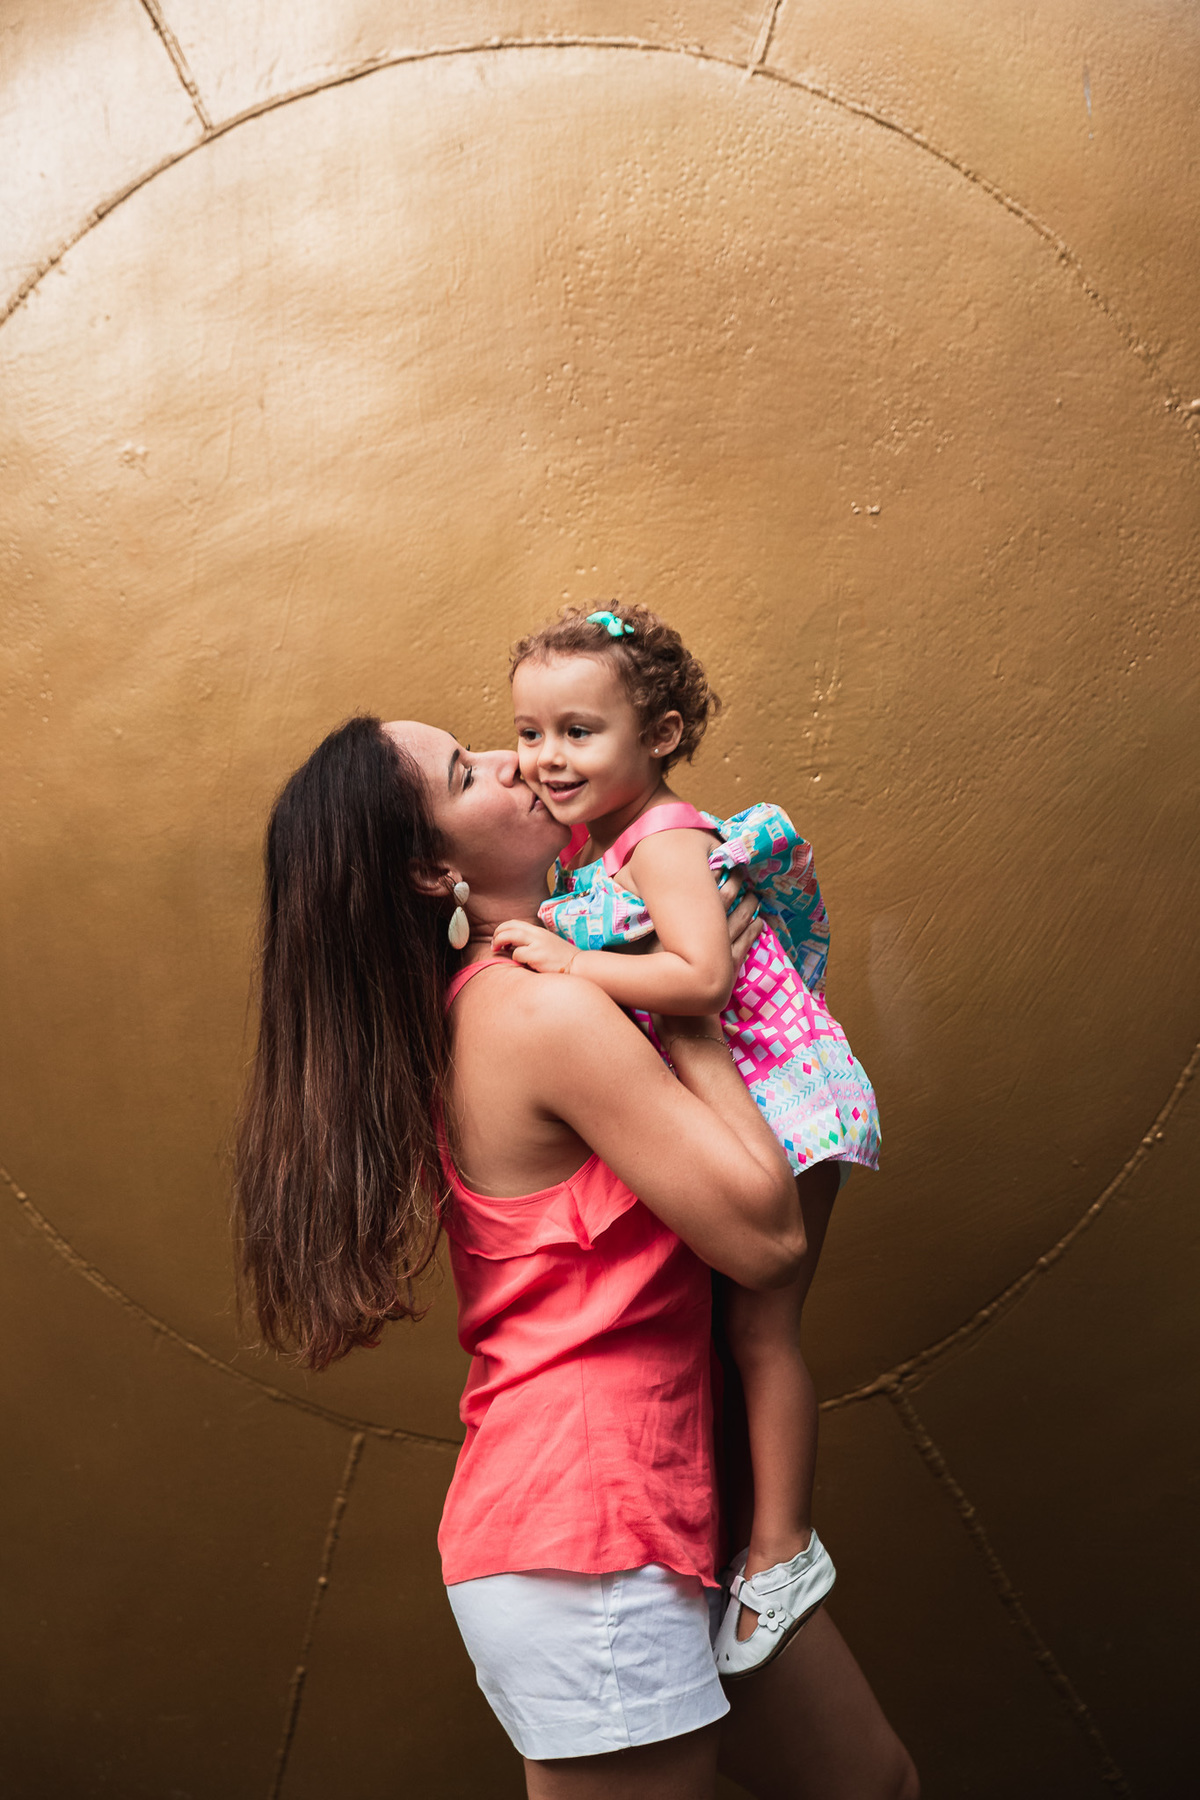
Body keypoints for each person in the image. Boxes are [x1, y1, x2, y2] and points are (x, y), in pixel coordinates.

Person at [234, 713, 917, 1800]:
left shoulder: (525, 987)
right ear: (430, 867)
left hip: (678, 1503)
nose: (513, 762)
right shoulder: (540, 1009)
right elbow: (769, 1240)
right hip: (591, 1533)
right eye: (468, 772)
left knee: (869, 1784)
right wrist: (694, 1004)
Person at [493, 604, 880, 1676]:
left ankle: (781, 1549)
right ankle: (754, 1537)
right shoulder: (607, 843)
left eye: (579, 731)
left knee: (761, 1335)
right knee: (732, 1335)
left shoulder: (664, 838)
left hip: (786, 1104)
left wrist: (569, 966)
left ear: (659, 735)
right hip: (747, 1100)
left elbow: (700, 980)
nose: (545, 759)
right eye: (529, 733)